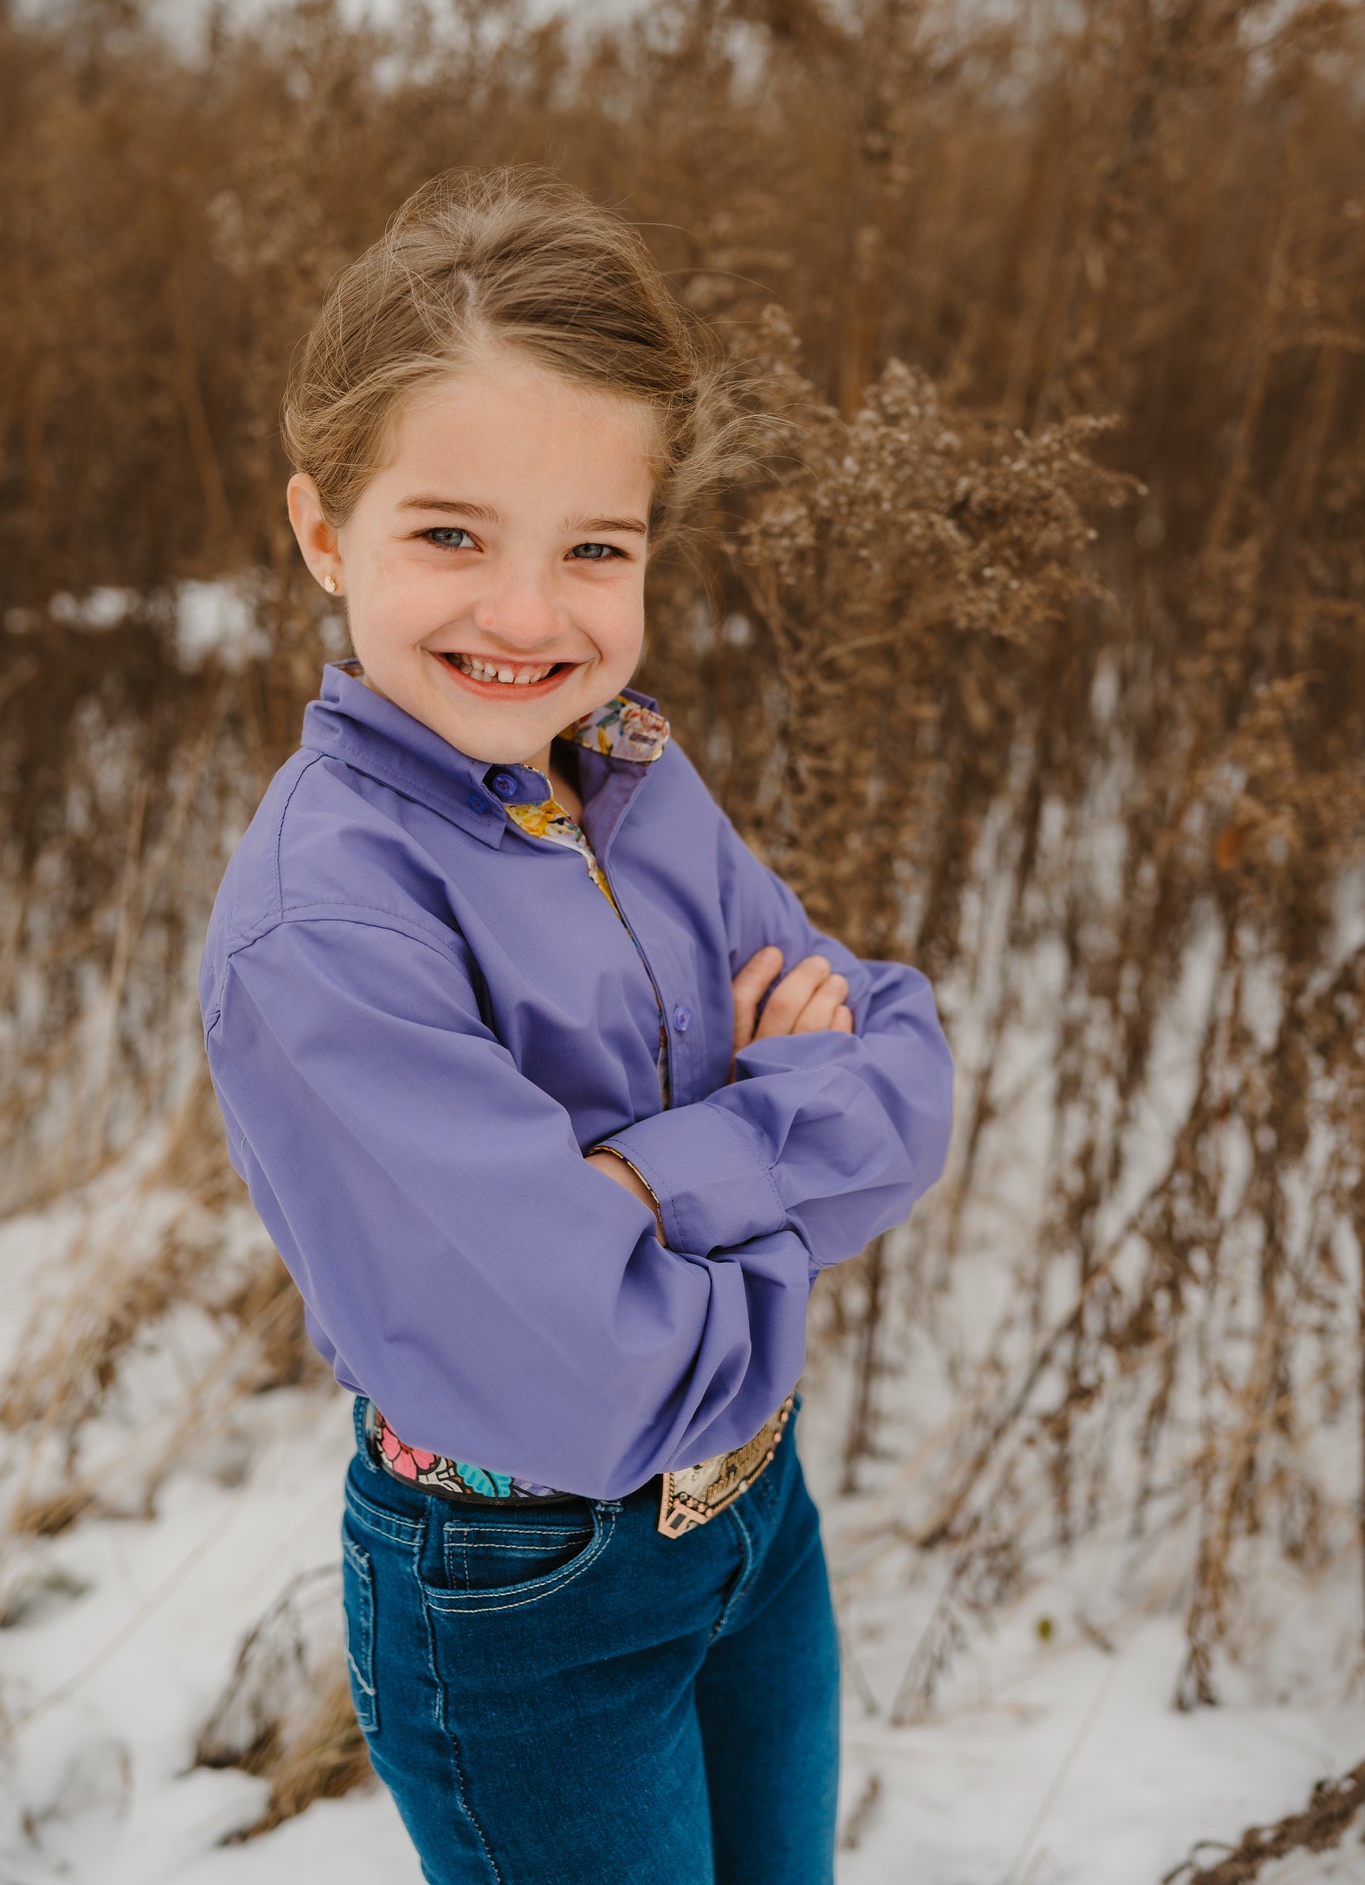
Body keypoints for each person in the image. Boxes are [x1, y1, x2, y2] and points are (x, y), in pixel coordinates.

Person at [198, 164, 954, 1885]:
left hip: (756, 1526)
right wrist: (781, 1120)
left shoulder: (622, 777)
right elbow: (593, 1373)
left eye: (592, 549)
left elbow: (903, 1067)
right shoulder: (328, 928)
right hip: (524, 1589)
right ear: (324, 531)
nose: (528, 618)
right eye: (449, 534)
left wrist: (641, 1182)